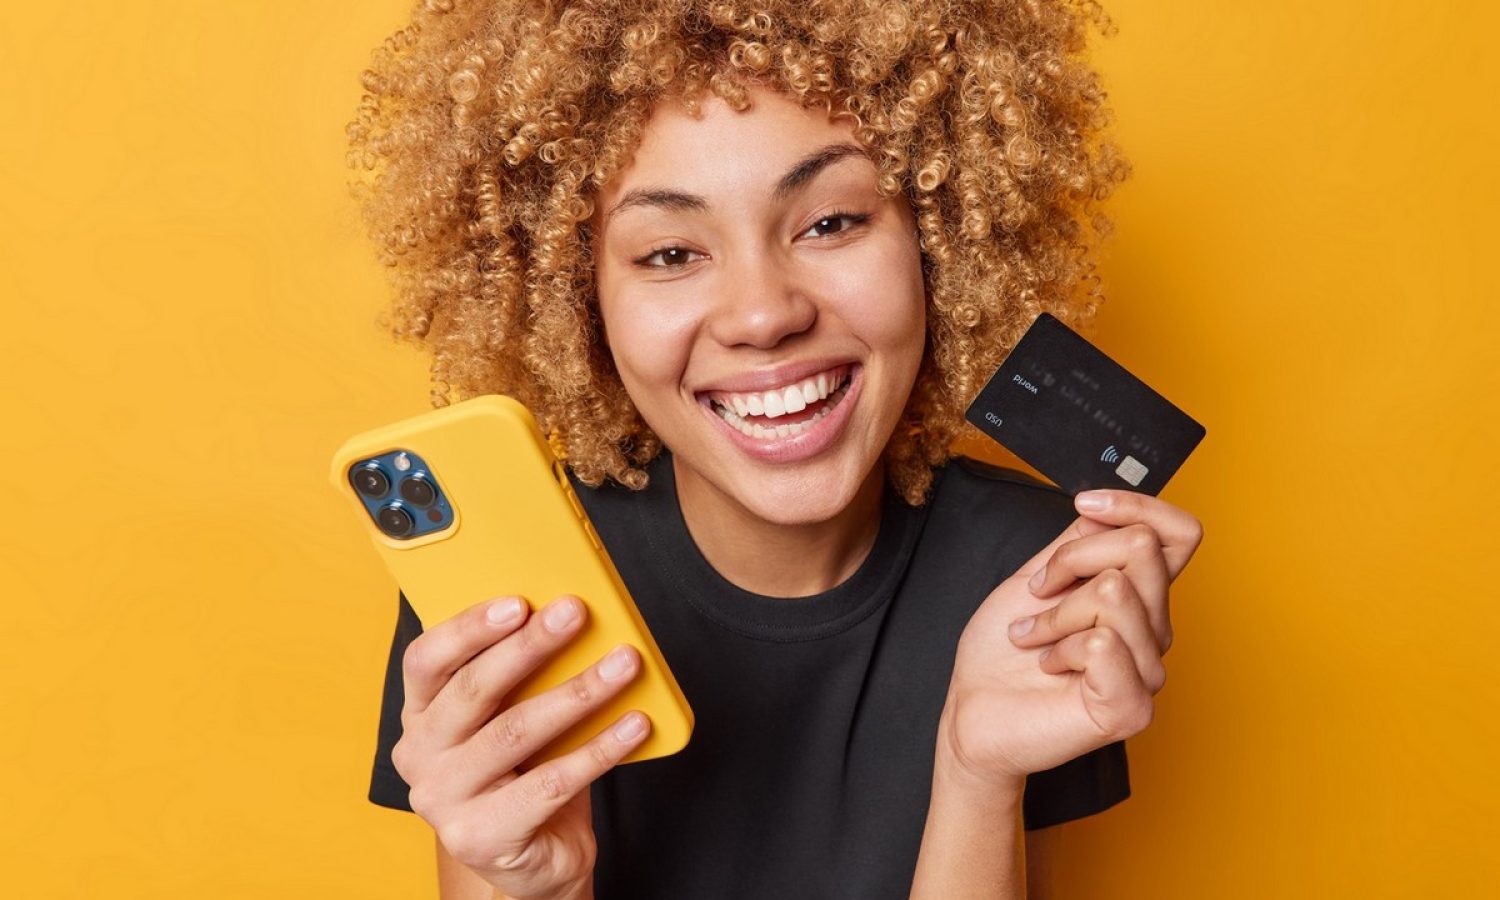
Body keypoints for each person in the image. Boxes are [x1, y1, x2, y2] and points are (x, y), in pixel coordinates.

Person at [347, 1, 1203, 898]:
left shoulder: (1033, 578)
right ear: (577, 300)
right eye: (672, 252)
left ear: (938, 245)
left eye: (831, 223)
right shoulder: (508, 600)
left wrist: (976, 775)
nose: (763, 315)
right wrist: (528, 888)